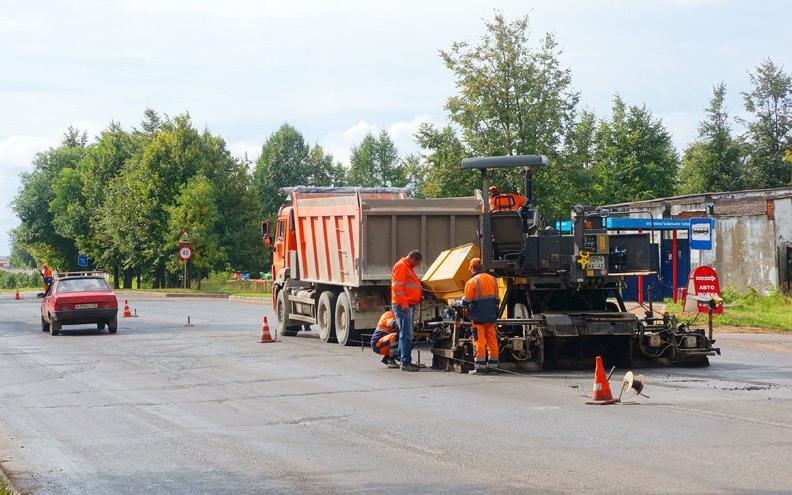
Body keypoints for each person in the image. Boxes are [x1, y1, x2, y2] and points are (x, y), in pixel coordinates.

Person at [460, 257, 500, 374]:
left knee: (479, 341)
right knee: (492, 340)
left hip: (477, 317)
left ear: (472, 268)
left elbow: (466, 302)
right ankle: (493, 366)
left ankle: (480, 367)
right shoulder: (493, 280)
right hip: (491, 316)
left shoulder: (472, 282)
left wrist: (458, 302)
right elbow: (497, 299)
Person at [391, 249, 423, 372]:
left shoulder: (408, 267)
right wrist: (404, 303)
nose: (417, 265)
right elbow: (397, 288)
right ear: (412, 259)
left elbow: (410, 286)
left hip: (408, 304)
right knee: (407, 334)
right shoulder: (401, 267)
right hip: (403, 306)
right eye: (417, 263)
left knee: (405, 333)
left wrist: (419, 295)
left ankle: (400, 357)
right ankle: (405, 362)